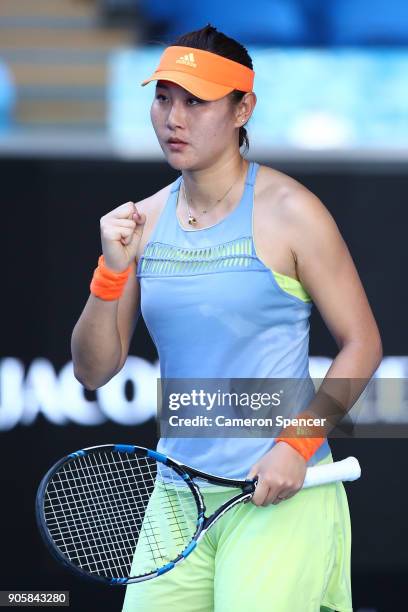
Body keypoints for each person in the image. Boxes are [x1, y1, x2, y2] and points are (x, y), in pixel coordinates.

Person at [71, 24, 382, 612]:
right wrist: (110, 273)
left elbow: (362, 343)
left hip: (280, 493)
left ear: (244, 109)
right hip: (177, 494)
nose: (173, 118)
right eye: (163, 97)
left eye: (196, 101)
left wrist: (297, 444)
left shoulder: (293, 212)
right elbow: (93, 372)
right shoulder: (141, 223)